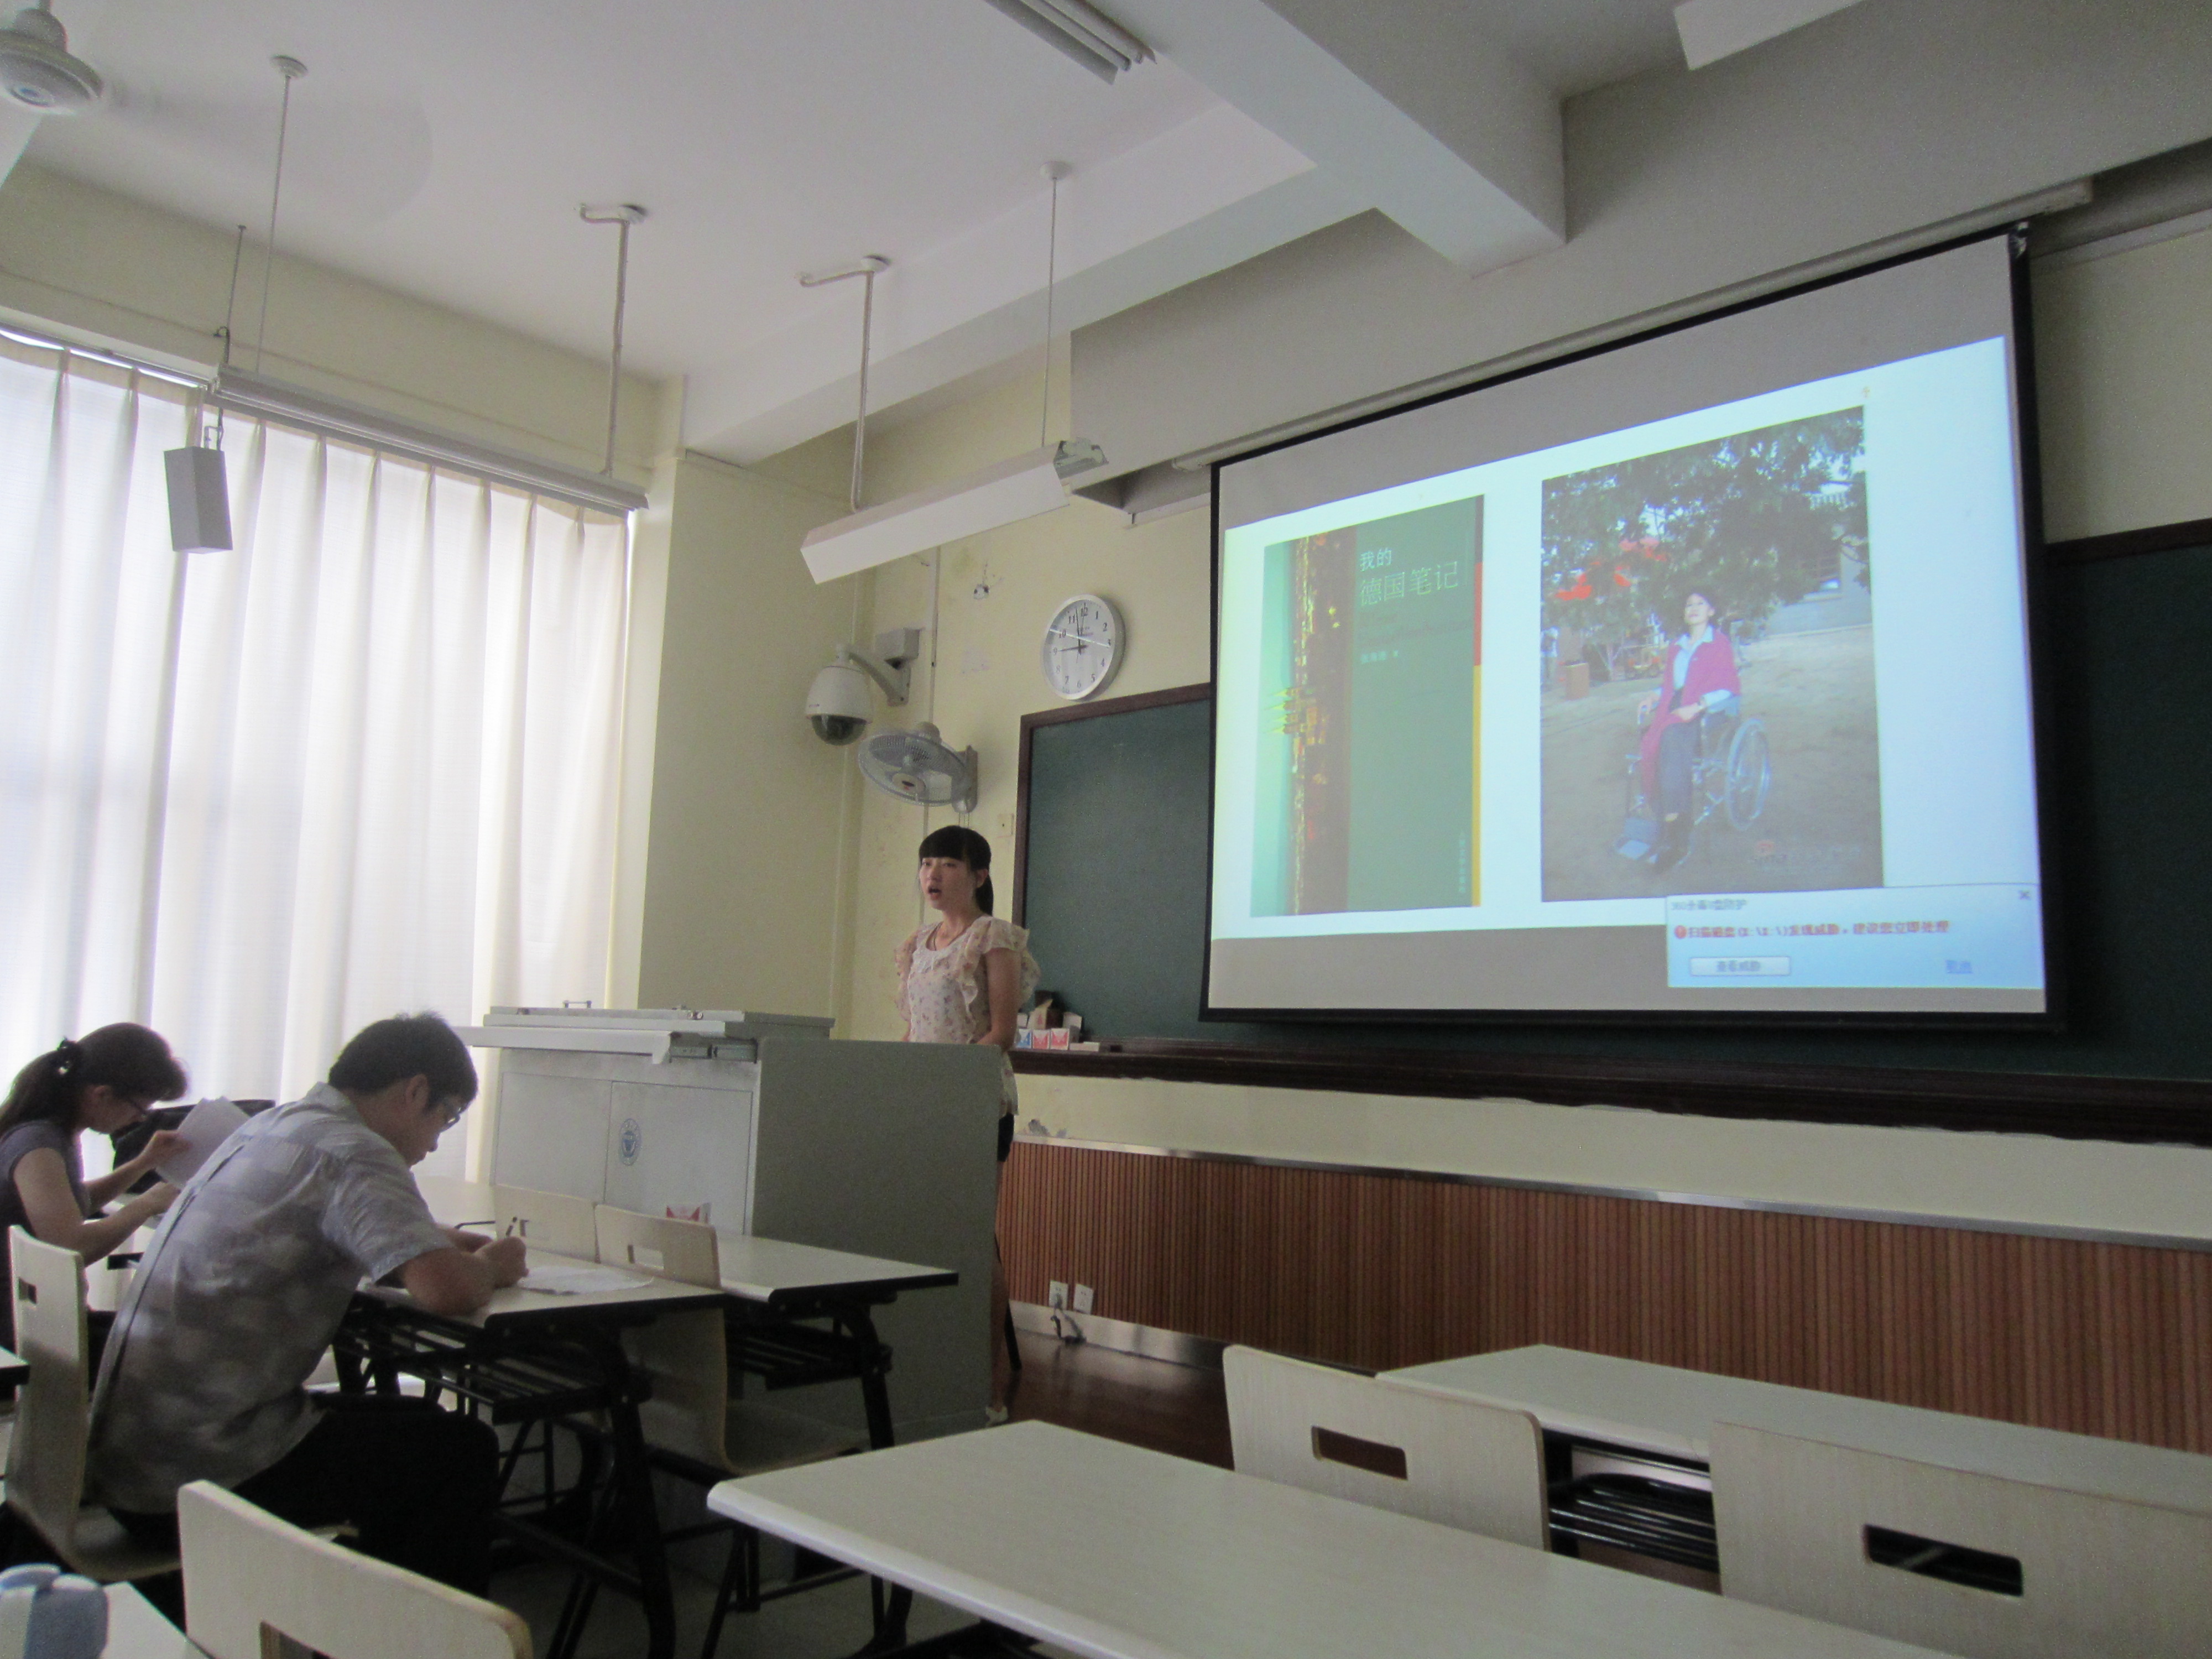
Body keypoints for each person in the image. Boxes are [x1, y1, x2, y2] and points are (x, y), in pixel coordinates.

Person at [88, 1013, 528, 1593]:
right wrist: (493, 1264)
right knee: (459, 1451)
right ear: (415, 1091)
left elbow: (336, 1214)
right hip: (193, 1481)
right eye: (445, 1118)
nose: (435, 1143)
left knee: (419, 1423)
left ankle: (369, 1614)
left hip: (135, 1465)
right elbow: (448, 1291)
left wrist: (431, 1239)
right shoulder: (356, 1152)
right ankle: (423, 1630)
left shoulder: (274, 1126)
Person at [893, 825, 1039, 1419]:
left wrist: (948, 1082)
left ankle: (988, 1385)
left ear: (978, 876)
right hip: (924, 1107)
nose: (932, 874)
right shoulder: (917, 945)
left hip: (977, 1104)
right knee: (922, 1232)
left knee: (973, 1237)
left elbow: (1002, 1032)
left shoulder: (993, 938)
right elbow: (913, 1031)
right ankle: (930, 1370)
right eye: (926, 863)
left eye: (948, 864)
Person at [0, 1025, 190, 1350]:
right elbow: (70, 1246)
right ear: (101, 1094)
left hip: (36, 1314)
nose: (139, 1120)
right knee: (177, 1343)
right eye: (140, 1109)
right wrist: (146, 1204)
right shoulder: (38, 1144)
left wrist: (144, 1163)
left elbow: (69, 1204)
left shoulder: (53, 1133)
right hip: (21, 1328)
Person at [1636, 589, 1742, 872]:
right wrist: (1654, 696)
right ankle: (1666, 820)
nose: (1693, 608)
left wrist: (1697, 706)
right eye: (1689, 604)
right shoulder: (1677, 646)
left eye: (1700, 604)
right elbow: (1672, 686)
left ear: (1711, 611)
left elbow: (1728, 687)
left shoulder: (1719, 643)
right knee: (1651, 740)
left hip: (1711, 711)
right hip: (1680, 706)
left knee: (1671, 740)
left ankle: (1678, 838)